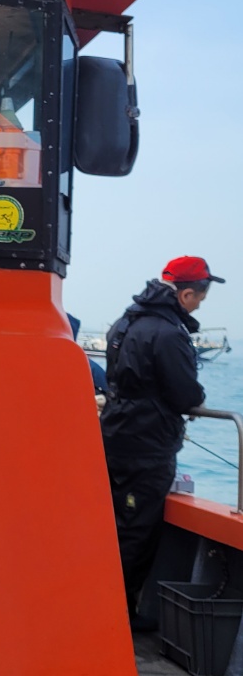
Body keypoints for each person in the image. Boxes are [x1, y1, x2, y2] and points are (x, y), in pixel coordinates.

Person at [101, 256, 224, 629]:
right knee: (136, 529)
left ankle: (102, 606)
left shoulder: (126, 321)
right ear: (186, 294)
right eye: (200, 298)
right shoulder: (169, 333)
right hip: (147, 446)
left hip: (114, 435)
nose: (199, 305)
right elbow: (185, 393)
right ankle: (118, 616)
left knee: (111, 524)